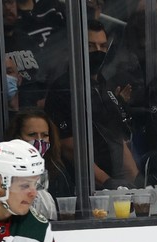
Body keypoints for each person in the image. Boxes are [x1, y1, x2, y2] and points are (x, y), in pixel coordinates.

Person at [44, 19, 139, 190]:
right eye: (91, 46)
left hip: (114, 187)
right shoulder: (63, 88)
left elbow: (117, 140)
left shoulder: (105, 85)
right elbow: (69, 148)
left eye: (102, 47)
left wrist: (137, 182)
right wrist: (108, 182)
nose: (98, 52)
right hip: (80, 188)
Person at [6, 107, 72, 205]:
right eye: (32, 134)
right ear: (17, 137)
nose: (39, 140)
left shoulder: (57, 169)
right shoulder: (4, 170)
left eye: (45, 135)